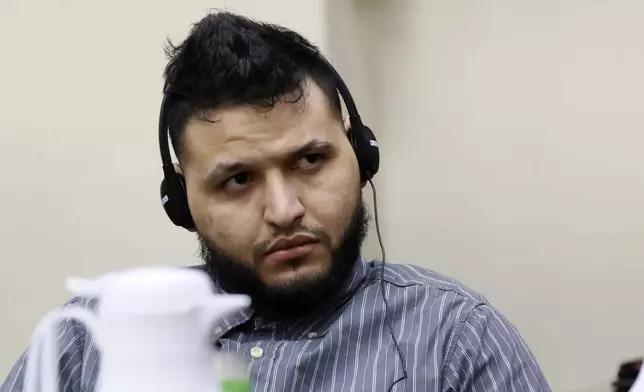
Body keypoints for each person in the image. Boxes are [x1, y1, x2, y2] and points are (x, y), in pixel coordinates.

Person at [0, 11, 551, 392]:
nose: (285, 210)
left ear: (360, 156)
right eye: (237, 180)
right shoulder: (89, 338)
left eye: (310, 161)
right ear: (182, 200)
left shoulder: (457, 336)